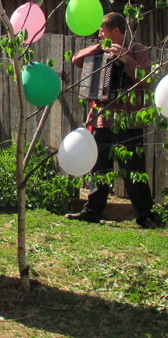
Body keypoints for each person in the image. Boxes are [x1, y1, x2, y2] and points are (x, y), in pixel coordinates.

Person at [65, 12, 158, 229]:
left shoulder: (137, 49)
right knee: (99, 168)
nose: (99, 34)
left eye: (102, 31)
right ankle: (93, 212)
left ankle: (146, 215)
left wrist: (126, 59)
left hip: (128, 121)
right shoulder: (100, 49)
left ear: (116, 31)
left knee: (134, 169)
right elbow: (77, 60)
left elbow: (146, 78)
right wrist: (99, 48)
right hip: (101, 120)